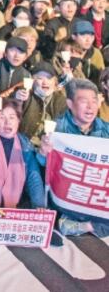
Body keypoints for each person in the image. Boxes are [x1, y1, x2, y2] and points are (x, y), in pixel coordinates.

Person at [42, 79, 109, 238]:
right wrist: (43, 153)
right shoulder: (56, 129)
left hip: (97, 195)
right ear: (70, 104)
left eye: (94, 101)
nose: (90, 107)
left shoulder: (105, 129)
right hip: (70, 195)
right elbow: (43, 169)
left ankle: (83, 226)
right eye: (84, 101)